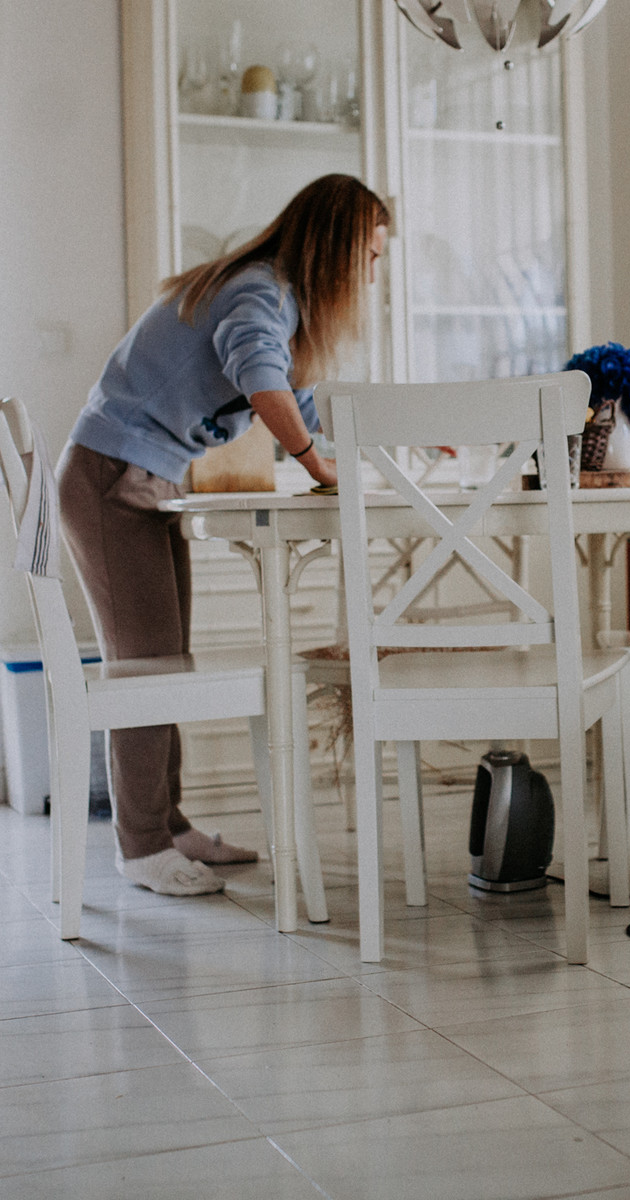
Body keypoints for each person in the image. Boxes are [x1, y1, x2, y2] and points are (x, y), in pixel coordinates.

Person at [58, 174, 391, 896]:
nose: (373, 271)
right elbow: (262, 378)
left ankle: (167, 826)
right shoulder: (259, 292)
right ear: (336, 248)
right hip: (112, 478)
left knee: (163, 662)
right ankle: (141, 847)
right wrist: (312, 462)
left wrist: (361, 439)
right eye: (370, 253)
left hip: (139, 476)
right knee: (143, 671)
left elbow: (295, 392)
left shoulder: (271, 296)